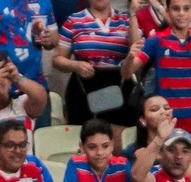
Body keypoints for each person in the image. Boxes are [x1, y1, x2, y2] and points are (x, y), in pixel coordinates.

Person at [121, 0, 191, 162]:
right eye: (176, 9)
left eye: (186, 9)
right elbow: (127, 73)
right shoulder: (156, 41)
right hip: (165, 122)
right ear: (167, 11)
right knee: (164, 174)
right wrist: (130, 57)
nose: (181, 13)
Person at [0, 0, 59, 130]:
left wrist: (50, 40)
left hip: (34, 86)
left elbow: (54, 39)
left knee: (39, 142)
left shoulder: (44, 2)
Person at [53, 0, 142, 133]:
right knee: (86, 137)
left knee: (122, 138)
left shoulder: (126, 20)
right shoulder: (73, 21)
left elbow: (137, 54)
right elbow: (57, 60)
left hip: (120, 88)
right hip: (84, 90)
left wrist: (133, 15)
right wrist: (76, 65)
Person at [0, 55, 48, 140]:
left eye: (4, 75)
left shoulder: (22, 104)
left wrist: (18, 78)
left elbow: (41, 99)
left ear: (11, 83)